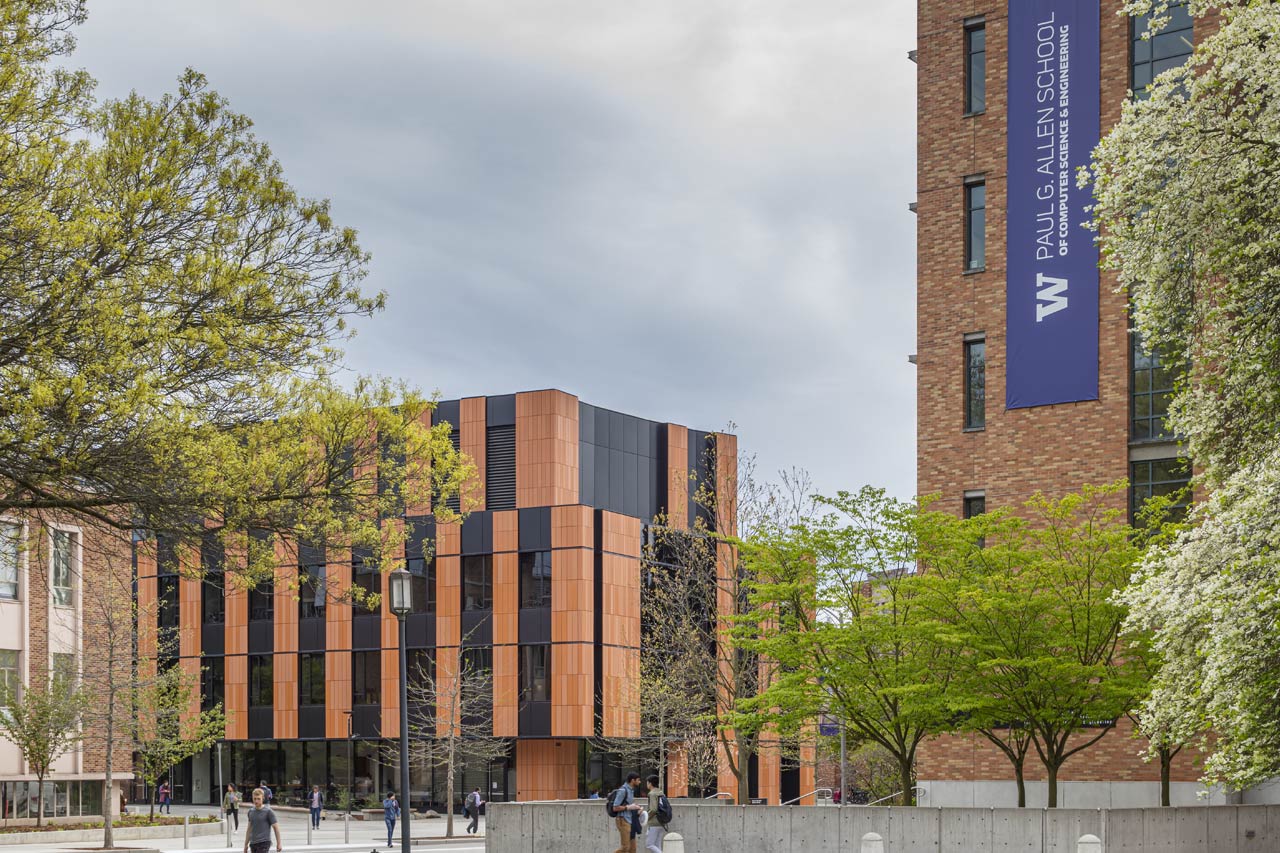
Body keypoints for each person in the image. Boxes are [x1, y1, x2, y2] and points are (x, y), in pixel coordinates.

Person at [607, 773, 643, 853]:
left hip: (630, 820)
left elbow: (627, 805)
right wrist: (629, 807)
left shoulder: (631, 790)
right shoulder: (623, 790)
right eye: (638, 780)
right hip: (623, 820)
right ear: (632, 780)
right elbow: (615, 807)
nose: (639, 782)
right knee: (625, 847)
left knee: (632, 849)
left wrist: (636, 808)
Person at [242, 787, 282, 853]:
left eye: (258, 799)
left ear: (263, 798)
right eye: (254, 799)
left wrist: (279, 843)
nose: (256, 801)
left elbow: (276, 828)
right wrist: (246, 845)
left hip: (264, 842)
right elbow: (249, 828)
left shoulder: (268, 811)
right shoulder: (251, 812)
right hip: (253, 843)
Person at [643, 775, 669, 853]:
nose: (647, 784)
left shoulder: (652, 794)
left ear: (650, 783)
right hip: (661, 822)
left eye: (647, 782)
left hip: (654, 822)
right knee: (657, 845)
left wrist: (646, 817)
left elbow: (653, 809)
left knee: (649, 844)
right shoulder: (660, 792)